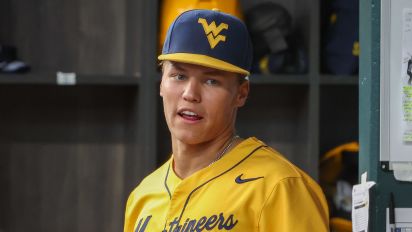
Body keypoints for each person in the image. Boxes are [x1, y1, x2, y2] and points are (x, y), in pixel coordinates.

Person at [124, 9, 329, 232]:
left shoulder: (279, 186)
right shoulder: (143, 196)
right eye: (179, 76)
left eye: (211, 81)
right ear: (161, 84)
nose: (190, 94)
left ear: (241, 93)